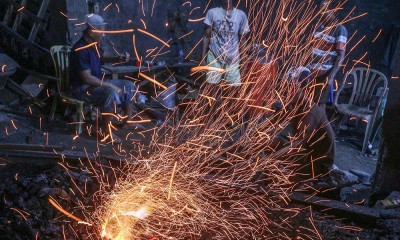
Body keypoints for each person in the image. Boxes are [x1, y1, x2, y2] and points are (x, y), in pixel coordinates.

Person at [70, 14, 144, 143]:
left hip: (95, 84)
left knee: (129, 85)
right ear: (92, 31)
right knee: (109, 92)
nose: (103, 34)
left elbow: (102, 58)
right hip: (82, 88)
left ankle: (128, 121)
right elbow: (87, 78)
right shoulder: (80, 49)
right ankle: (106, 132)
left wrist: (117, 58)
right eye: (101, 31)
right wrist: (109, 85)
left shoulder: (93, 45)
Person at [201, 0, 250, 87]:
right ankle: (213, 101)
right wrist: (202, 58)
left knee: (233, 89)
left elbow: (243, 40)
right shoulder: (212, 13)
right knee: (212, 88)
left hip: (232, 57)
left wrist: (244, 59)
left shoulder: (240, 15)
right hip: (215, 55)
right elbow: (206, 36)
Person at [310, 0, 348, 110]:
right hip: (312, 72)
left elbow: (341, 56)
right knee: (308, 103)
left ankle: (321, 126)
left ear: (334, 11)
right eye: (321, 10)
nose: (322, 13)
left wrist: (331, 77)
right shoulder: (318, 26)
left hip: (325, 73)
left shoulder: (340, 30)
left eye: (325, 10)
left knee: (320, 105)